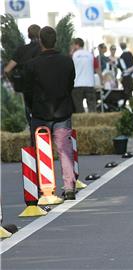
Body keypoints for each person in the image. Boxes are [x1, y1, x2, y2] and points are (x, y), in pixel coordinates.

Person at [22, 26, 77, 200]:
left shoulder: (32, 65)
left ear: (40, 41)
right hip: (62, 110)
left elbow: (27, 91)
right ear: (56, 40)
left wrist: (31, 108)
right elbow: (70, 84)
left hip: (40, 113)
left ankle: (45, 189)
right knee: (65, 150)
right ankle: (69, 186)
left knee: (40, 151)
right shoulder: (67, 61)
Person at [3, 24, 41, 126]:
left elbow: (7, 70)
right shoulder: (44, 50)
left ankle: (33, 136)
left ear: (28, 35)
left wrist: (13, 81)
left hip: (27, 89)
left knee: (31, 119)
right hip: (43, 90)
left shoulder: (21, 50)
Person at [71, 38, 98, 113]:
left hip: (77, 84)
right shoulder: (90, 55)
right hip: (90, 84)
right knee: (92, 106)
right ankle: (93, 122)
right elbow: (97, 68)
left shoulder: (73, 55)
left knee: (79, 107)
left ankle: (81, 123)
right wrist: (101, 80)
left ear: (76, 45)